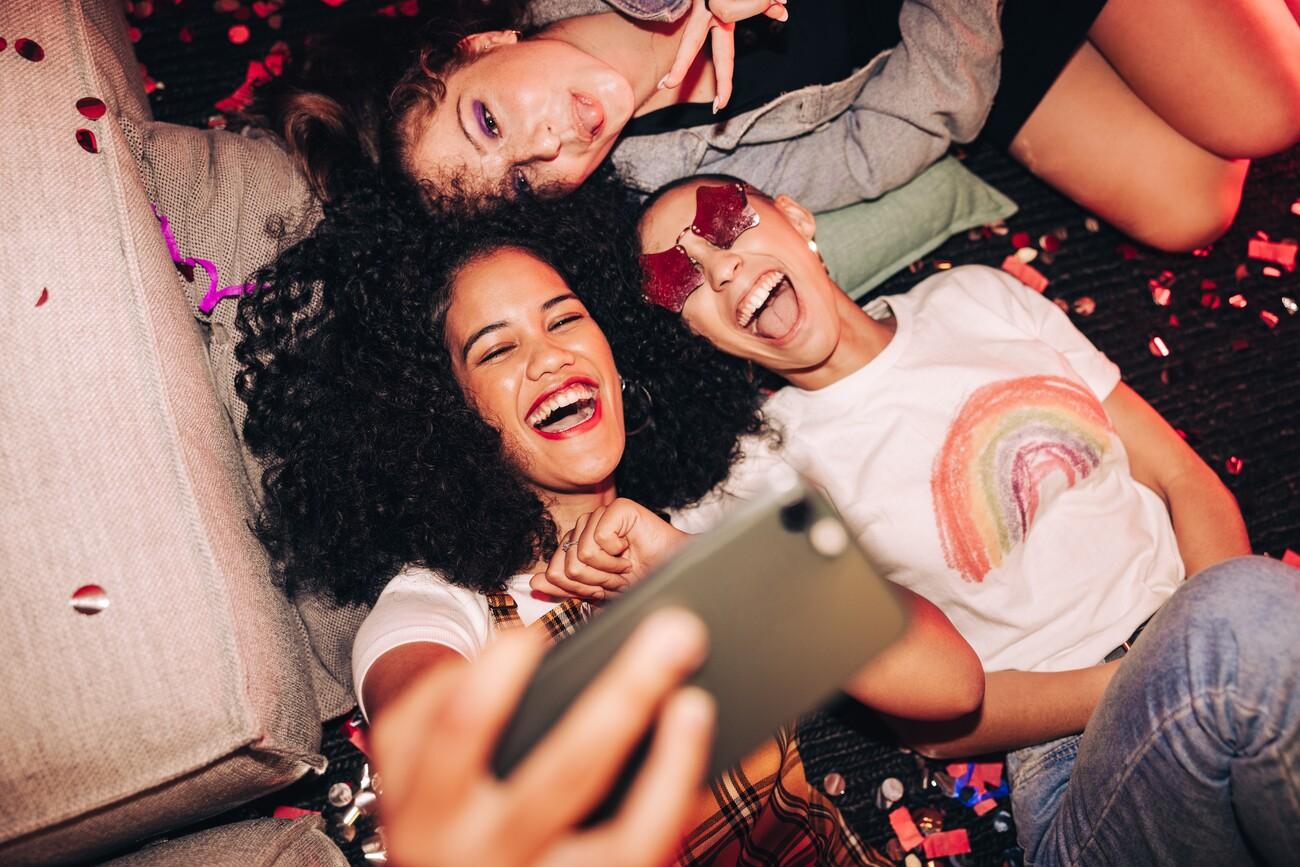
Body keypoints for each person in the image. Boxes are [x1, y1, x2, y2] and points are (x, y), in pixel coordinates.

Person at [234, 177, 985, 865]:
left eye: (565, 318)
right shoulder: (437, 606)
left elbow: (951, 684)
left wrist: (687, 565)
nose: (550, 356)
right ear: (446, 415)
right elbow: (447, 780)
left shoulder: (699, 519)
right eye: (497, 348)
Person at [593, 173, 1300, 865]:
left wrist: (1208, 640)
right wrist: (1171, 666)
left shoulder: (976, 295)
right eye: (682, 282)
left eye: (728, 225)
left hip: (1231, 652)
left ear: (796, 217)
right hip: (1083, 769)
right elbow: (935, 728)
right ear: (693, 336)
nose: (722, 271)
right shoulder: (756, 475)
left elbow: (1180, 476)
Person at [250, 0, 1300, 250]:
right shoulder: (649, 166)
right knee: (1187, 207)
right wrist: (958, 76)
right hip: (962, 31)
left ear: (482, 45)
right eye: (522, 181)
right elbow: (862, 147)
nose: (547, 143)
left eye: (489, 120)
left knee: (1267, 107)